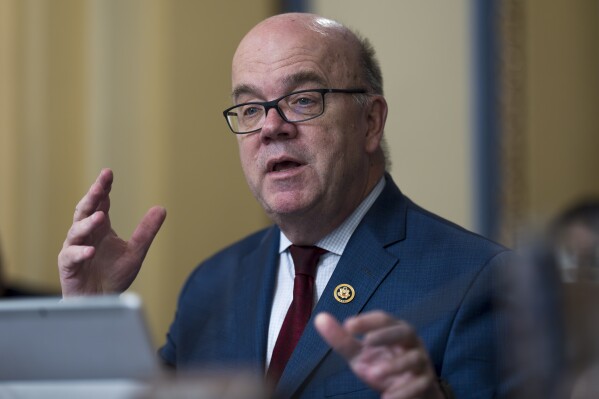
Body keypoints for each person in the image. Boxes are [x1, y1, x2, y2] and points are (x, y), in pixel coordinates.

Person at [58, 13, 514, 399]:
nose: (271, 128)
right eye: (251, 108)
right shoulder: (211, 285)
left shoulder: (478, 281)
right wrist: (88, 318)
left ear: (370, 121)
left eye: (302, 100)